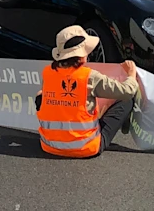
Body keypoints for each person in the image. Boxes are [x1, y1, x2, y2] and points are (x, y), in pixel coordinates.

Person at [35, 25, 140, 158]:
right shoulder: (89, 76)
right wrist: (131, 74)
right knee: (126, 101)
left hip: (49, 145)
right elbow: (127, 91)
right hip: (86, 147)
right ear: (81, 55)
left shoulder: (48, 72)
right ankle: (125, 122)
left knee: (41, 95)